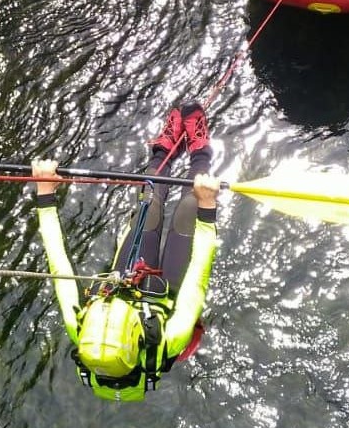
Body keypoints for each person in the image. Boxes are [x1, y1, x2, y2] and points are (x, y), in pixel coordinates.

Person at [32, 101, 221, 402]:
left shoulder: (80, 326)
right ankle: (200, 154)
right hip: (168, 296)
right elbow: (199, 274)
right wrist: (208, 205)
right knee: (190, 207)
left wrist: (44, 194)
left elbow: (58, 265)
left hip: (127, 277)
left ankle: (163, 150)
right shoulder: (169, 340)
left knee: (151, 202)